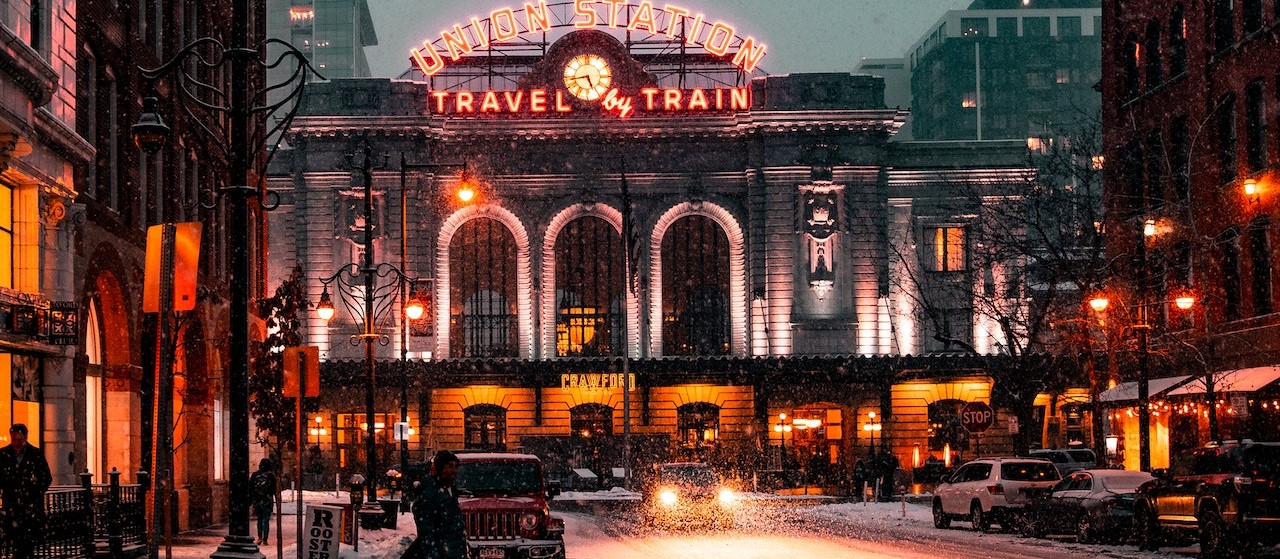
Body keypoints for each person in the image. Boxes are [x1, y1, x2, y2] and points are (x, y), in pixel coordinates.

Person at [0, 424, 53, 559]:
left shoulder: (35, 454)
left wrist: (35, 493)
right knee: (16, 541)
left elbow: (46, 477)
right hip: (12, 505)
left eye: (19, 440)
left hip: (29, 506)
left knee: (25, 542)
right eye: (14, 439)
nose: (16, 443)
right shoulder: (3, 454)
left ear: (25, 437)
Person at [404, 450, 466, 559]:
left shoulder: (449, 489)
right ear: (440, 468)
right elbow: (426, 533)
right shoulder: (430, 493)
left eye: (456, 466)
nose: (454, 470)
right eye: (450, 466)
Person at [250, 458, 277, 545]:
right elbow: (274, 489)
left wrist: (251, 499)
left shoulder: (255, 475)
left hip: (257, 500)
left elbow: (250, 488)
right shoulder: (271, 476)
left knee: (259, 519)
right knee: (266, 520)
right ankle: (265, 539)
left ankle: (259, 537)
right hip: (267, 500)